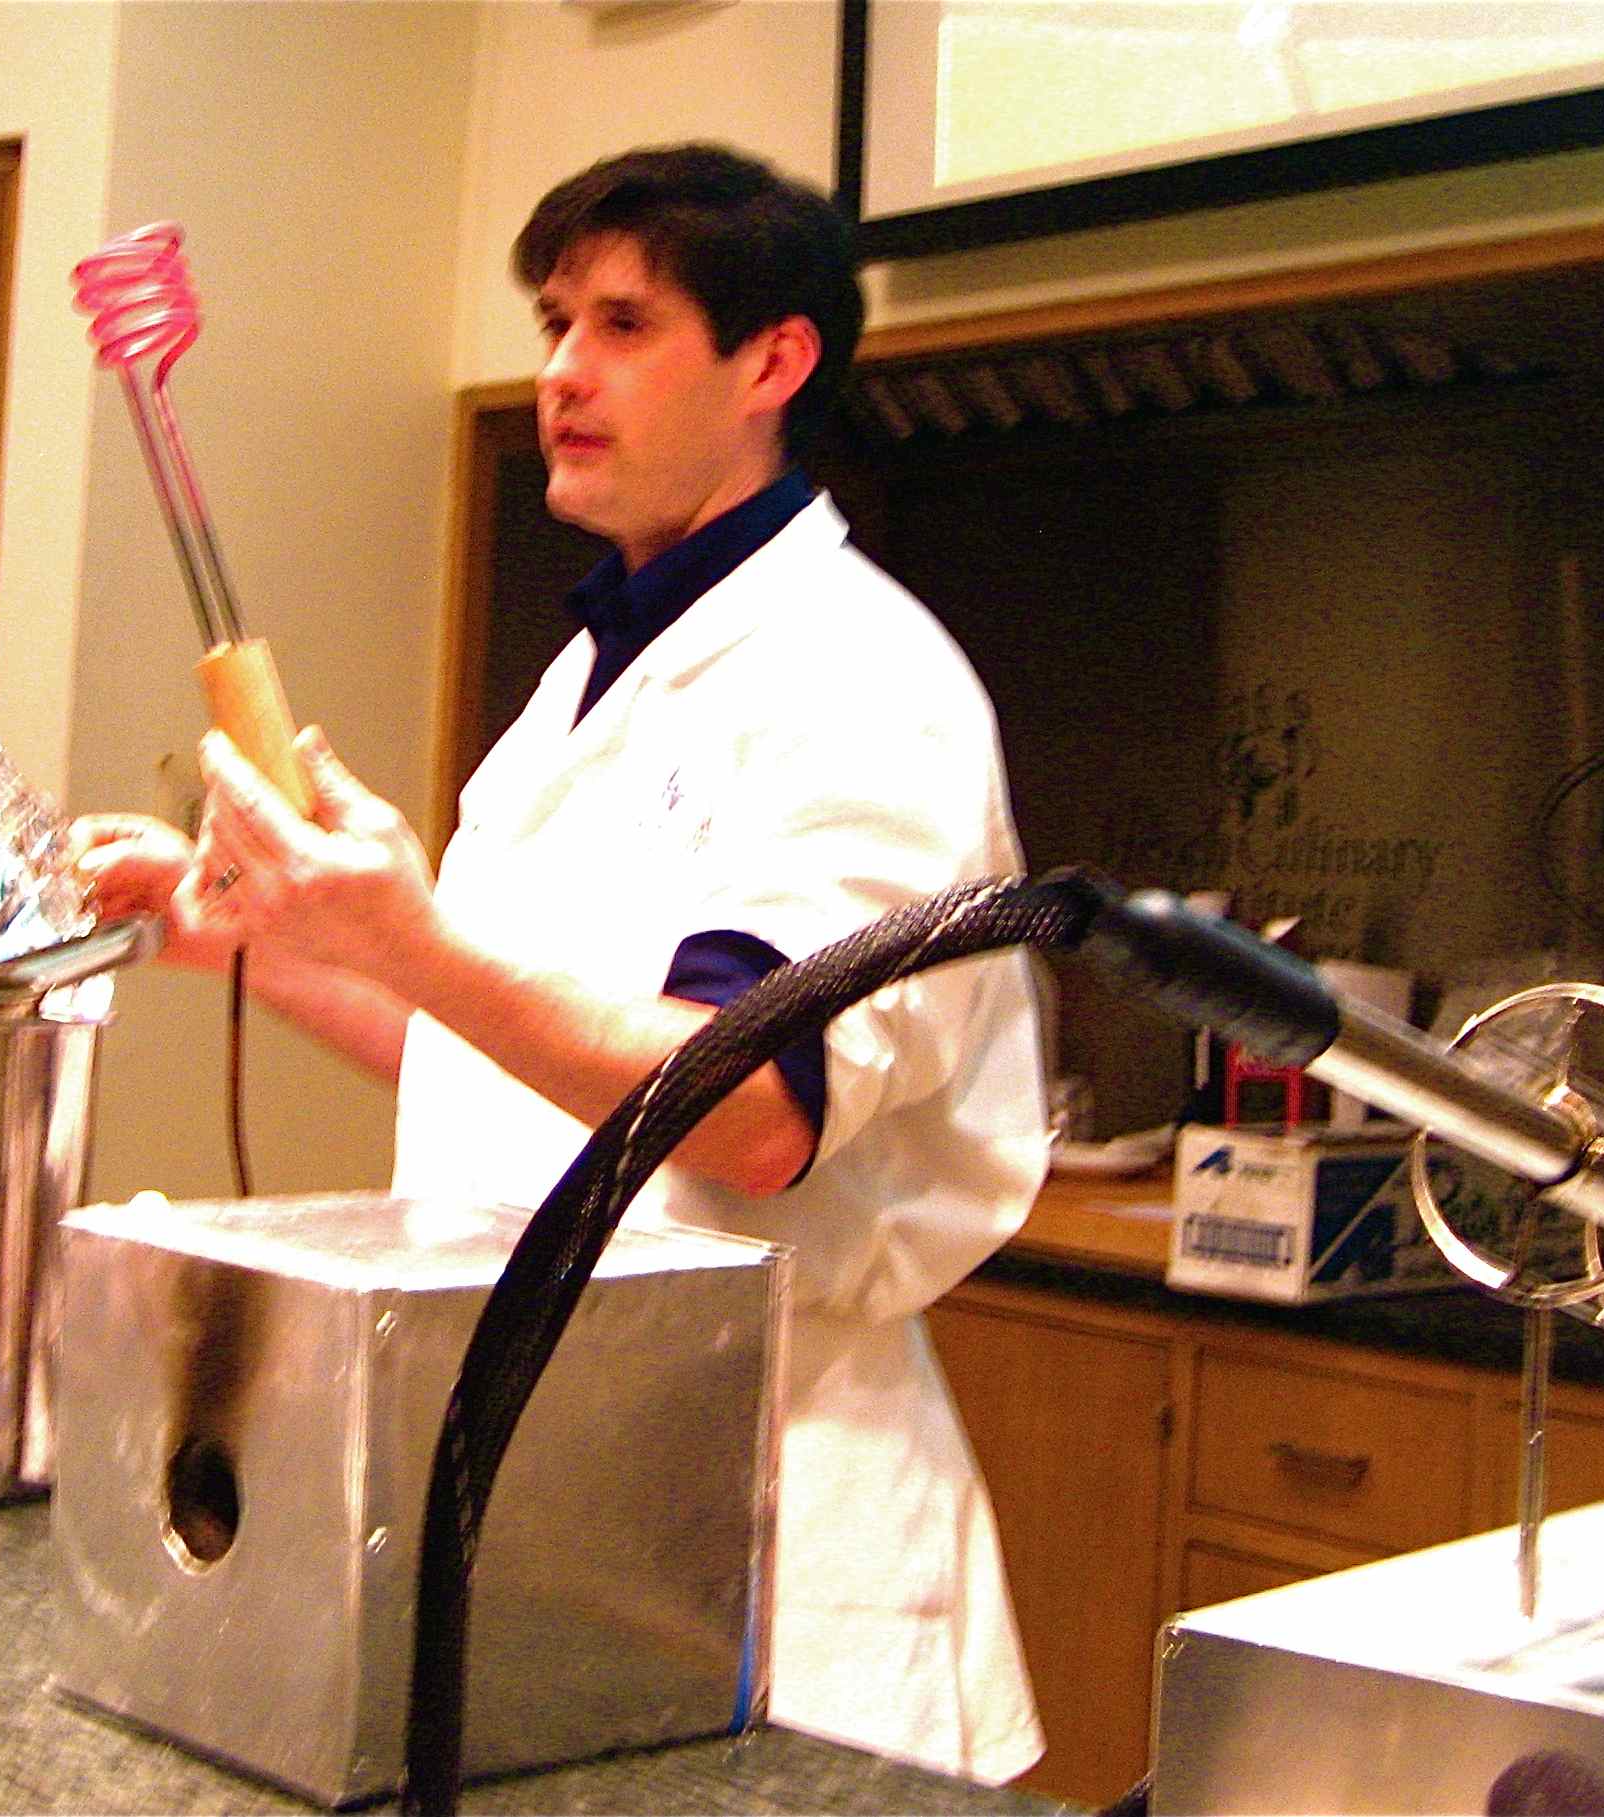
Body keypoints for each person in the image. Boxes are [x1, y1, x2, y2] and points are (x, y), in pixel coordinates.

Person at [72, 143, 1048, 1782]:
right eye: (549, 322)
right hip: (557, 1507)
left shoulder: (863, 680)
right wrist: (252, 941)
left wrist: (409, 929)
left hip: (765, 1540)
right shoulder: (597, 670)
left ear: (773, 362)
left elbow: (751, 1116)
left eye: (622, 324)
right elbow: (500, 1069)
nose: (561, 372)